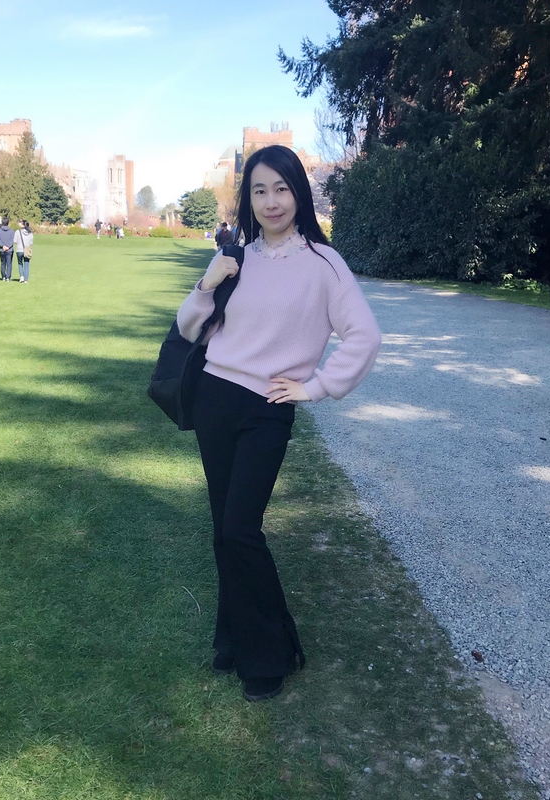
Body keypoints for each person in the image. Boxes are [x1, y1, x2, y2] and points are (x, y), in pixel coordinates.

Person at [175, 145, 381, 702]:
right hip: (215, 398)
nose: (271, 202)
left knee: (241, 529)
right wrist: (207, 284)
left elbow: (364, 336)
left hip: (267, 409)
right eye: (260, 190)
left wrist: (316, 386)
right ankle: (232, 639)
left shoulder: (324, 264)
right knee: (224, 529)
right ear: (248, 198)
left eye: (282, 189)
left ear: (299, 194)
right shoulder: (237, 257)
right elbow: (190, 329)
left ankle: (269, 654)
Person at [0, 216, 15, 281]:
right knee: (9, 264)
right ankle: (8, 277)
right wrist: (8, 246)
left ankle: (3, 276)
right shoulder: (12, 231)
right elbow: (12, 240)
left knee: (3, 263)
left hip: (1, 249)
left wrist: (3, 246)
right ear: (8, 222)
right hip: (9, 249)